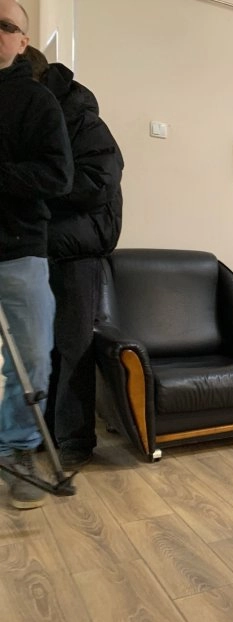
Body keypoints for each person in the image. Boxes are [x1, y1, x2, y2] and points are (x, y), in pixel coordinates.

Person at [22, 45, 124, 470]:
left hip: (80, 245)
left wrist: (36, 191)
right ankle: (43, 433)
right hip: (42, 243)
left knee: (73, 345)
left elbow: (99, 180)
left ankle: (75, 440)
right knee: (39, 346)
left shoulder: (79, 115)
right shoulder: (33, 115)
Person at [0, 0, 73, 509]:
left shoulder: (37, 101)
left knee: (30, 363)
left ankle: (17, 449)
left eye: (6, 26)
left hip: (19, 250)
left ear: (23, 42)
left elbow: (58, 175)